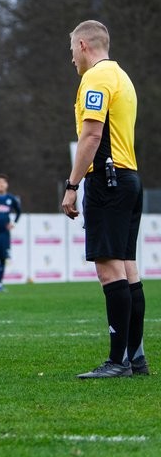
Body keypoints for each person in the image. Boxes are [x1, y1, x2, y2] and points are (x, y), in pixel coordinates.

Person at [62, 20, 147, 379]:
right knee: (128, 269)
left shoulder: (95, 78)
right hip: (128, 178)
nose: (71, 60)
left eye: (71, 51)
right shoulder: (122, 76)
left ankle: (117, 362)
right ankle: (135, 358)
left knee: (108, 269)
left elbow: (92, 135)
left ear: (83, 45)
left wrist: (72, 184)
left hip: (108, 180)